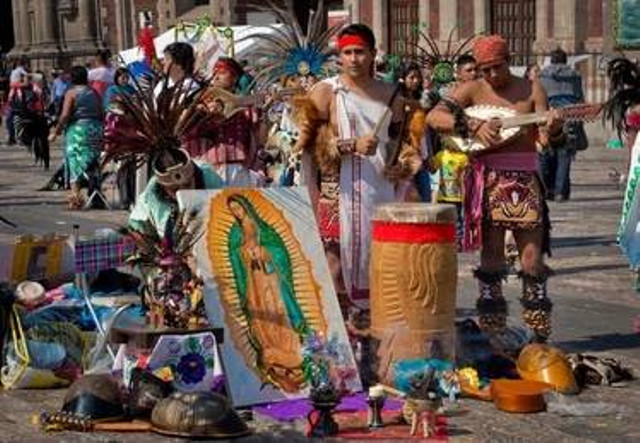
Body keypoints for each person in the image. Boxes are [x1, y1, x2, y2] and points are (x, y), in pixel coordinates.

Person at [426, 35, 564, 342]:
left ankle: (538, 334)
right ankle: (493, 332)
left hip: (526, 181)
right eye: (484, 69)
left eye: (497, 67)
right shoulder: (473, 89)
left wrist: (553, 129)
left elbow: (545, 139)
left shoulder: (532, 89)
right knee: (491, 257)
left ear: (509, 59)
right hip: (486, 181)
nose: (490, 75)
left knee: (531, 257)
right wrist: (472, 125)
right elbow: (435, 116)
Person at [297, 24, 420, 308]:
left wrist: (400, 164)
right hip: (336, 191)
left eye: (360, 52)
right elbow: (303, 145)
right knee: (335, 266)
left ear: (373, 54)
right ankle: (341, 341)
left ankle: (372, 335)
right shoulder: (326, 92)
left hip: (381, 190)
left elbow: (402, 143)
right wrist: (351, 145)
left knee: (382, 262)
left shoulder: (392, 94)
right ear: (339, 56)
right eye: (347, 52)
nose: (353, 59)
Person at [226, 194, 306, 392]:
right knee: (261, 319)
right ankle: (272, 356)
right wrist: (244, 254)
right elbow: (234, 256)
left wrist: (265, 252)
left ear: (246, 207)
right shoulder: (235, 234)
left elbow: (280, 251)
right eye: (233, 210)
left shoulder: (264, 229)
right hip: (253, 281)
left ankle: (291, 352)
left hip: (270, 278)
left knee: (278, 312)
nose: (237, 212)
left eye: (239, 207)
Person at [189, 57, 264, 187]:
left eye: (222, 73)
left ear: (235, 78)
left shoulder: (247, 109)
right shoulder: (203, 104)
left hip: (240, 168)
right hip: (211, 168)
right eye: (215, 73)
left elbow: (259, 138)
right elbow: (193, 135)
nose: (216, 77)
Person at [49, 66, 104, 209]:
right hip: (95, 129)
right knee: (93, 163)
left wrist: (57, 131)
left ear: (73, 78)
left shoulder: (71, 93)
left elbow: (65, 115)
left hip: (78, 131)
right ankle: (96, 195)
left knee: (75, 161)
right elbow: (101, 112)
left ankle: (75, 199)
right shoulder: (94, 92)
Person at [539, 48, 587, 202]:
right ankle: (560, 192)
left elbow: (540, 97)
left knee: (546, 153)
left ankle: (547, 189)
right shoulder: (575, 76)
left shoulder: (542, 75)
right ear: (565, 60)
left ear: (551, 60)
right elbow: (579, 97)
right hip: (570, 116)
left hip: (549, 116)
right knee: (564, 156)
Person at [6, 57, 29, 145]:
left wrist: (14, 84)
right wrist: (19, 84)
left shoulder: (13, 71)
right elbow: (26, 84)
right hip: (18, 96)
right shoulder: (22, 71)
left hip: (12, 95)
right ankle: (21, 138)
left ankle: (12, 137)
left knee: (11, 117)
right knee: (20, 117)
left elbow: (11, 83)